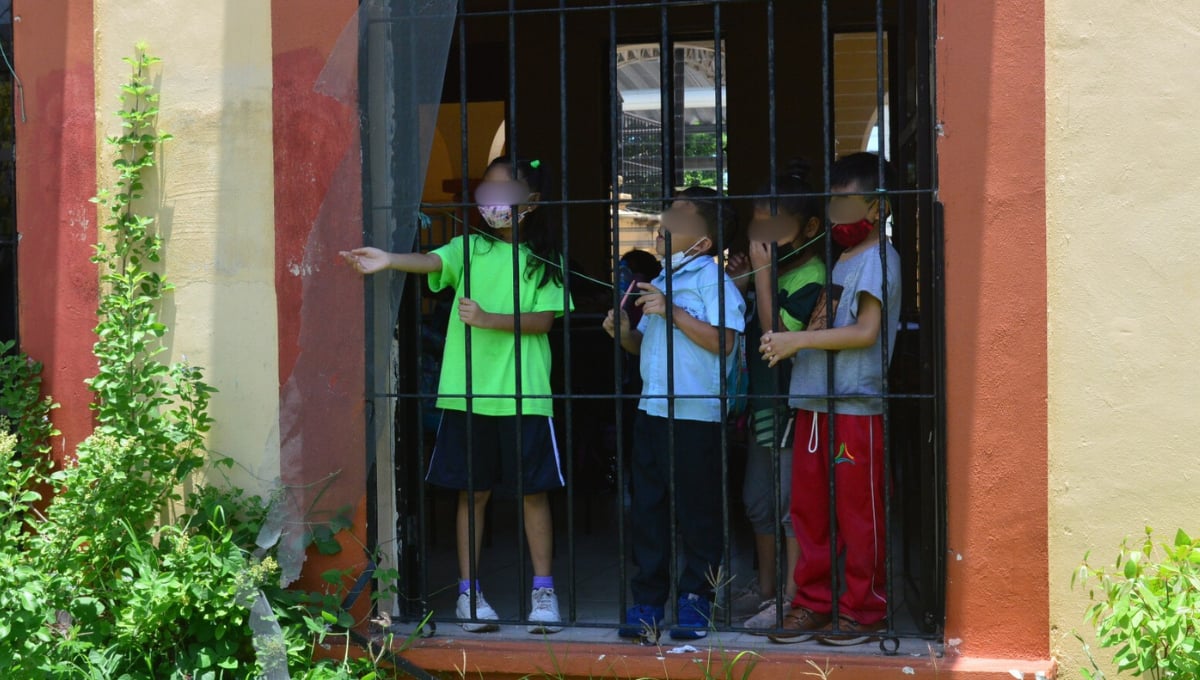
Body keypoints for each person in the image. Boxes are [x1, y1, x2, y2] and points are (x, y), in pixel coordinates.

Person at [341, 157, 572, 634]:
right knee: (473, 493)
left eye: (504, 188)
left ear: (532, 202)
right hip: (465, 396)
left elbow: (545, 322)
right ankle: (470, 595)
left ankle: (544, 592)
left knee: (533, 493)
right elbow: (433, 261)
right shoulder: (470, 248)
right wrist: (388, 258)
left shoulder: (545, 260)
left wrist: (488, 319)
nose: (492, 197)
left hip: (525, 396)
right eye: (487, 186)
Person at [758, 152, 901, 646]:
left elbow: (865, 332)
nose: (837, 216)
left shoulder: (879, 258)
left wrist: (795, 343)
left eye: (846, 204)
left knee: (859, 514)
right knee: (810, 513)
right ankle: (813, 604)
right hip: (814, 405)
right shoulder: (836, 258)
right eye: (833, 205)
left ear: (878, 207)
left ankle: (866, 610)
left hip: (855, 408)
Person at [603, 187, 746, 640]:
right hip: (652, 410)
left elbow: (724, 342)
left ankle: (696, 600)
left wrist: (674, 311)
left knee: (698, 511)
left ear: (703, 243)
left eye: (678, 221)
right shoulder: (661, 281)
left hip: (696, 415)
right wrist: (623, 333)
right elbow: (644, 345)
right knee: (648, 508)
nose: (663, 225)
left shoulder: (711, 279)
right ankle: (647, 601)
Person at [724, 160, 827, 631]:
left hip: (793, 407)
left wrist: (762, 276)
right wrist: (747, 282)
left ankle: (789, 598)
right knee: (757, 500)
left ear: (808, 228)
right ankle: (764, 588)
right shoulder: (776, 269)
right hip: (763, 408)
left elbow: (774, 342)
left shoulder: (810, 277)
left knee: (789, 507)